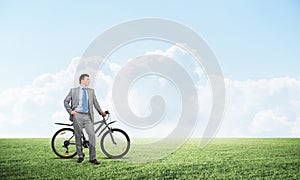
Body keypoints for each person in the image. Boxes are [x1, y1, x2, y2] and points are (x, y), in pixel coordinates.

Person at [64, 73, 106, 164]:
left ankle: (92, 158)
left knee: (92, 135)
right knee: (78, 136)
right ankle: (80, 155)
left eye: (89, 79)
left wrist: (101, 113)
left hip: (88, 116)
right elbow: (66, 101)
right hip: (77, 115)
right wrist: (71, 111)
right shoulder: (73, 91)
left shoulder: (91, 91)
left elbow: (96, 103)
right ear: (82, 80)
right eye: (87, 79)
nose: (89, 81)